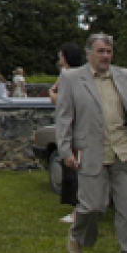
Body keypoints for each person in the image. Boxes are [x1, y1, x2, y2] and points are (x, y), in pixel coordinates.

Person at [56, 34, 127, 253]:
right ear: (89, 53)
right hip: (91, 153)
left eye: (109, 51)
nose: (105, 56)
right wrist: (65, 151)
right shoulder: (72, 79)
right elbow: (63, 118)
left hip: (124, 152)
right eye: (101, 51)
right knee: (91, 207)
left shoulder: (125, 76)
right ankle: (77, 236)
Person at [50, 42, 86, 223]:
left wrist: (52, 94)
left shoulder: (68, 76)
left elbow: (63, 103)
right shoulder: (84, 75)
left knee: (76, 172)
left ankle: (78, 212)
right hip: (85, 128)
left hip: (73, 129)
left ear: (64, 57)